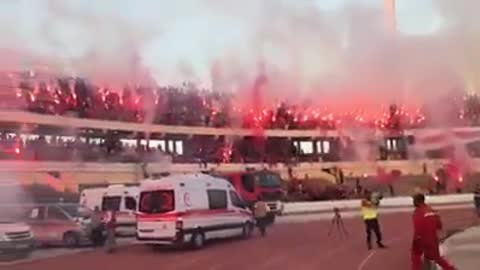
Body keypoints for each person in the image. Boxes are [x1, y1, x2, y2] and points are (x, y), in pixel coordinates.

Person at [411, 193, 456, 270]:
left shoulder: (417, 212)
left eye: (414, 200)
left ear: (418, 201)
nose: (413, 202)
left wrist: (416, 239)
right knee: (437, 257)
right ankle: (451, 269)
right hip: (433, 238)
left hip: (422, 239)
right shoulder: (431, 210)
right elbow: (439, 225)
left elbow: (418, 227)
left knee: (415, 256)